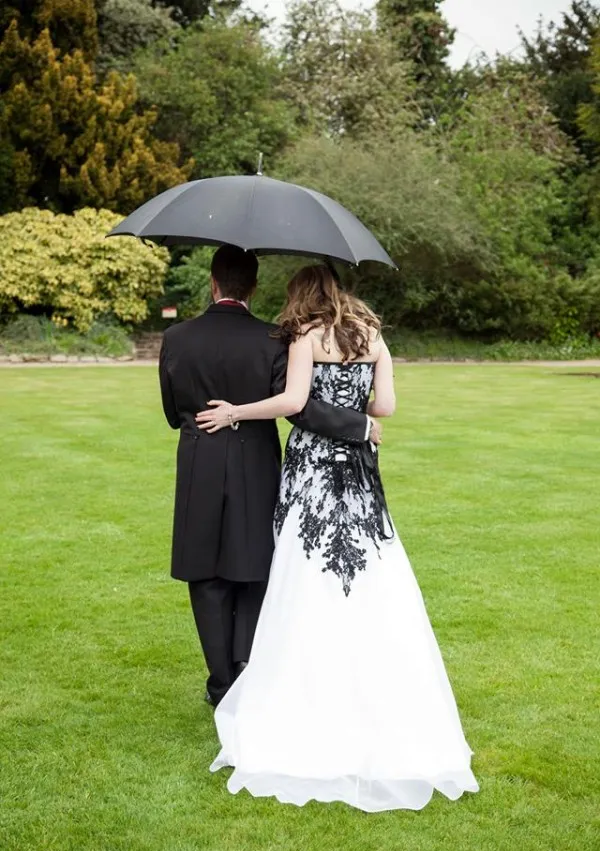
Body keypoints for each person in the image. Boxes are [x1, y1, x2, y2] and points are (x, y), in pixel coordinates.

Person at [195, 264, 479, 813]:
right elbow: (386, 407)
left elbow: (293, 403)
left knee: (304, 568)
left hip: (310, 470)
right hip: (359, 468)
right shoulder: (372, 337)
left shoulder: (304, 335)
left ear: (302, 294)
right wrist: (359, 410)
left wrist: (236, 412)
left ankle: (301, 691)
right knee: (369, 567)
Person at [159, 245, 379, 708]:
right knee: (254, 565)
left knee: (205, 573)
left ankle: (219, 681)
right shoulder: (273, 338)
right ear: (253, 287)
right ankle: (244, 667)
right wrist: (358, 425)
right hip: (256, 462)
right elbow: (298, 409)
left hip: (199, 461)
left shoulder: (177, 337)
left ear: (212, 283)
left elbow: (169, 412)